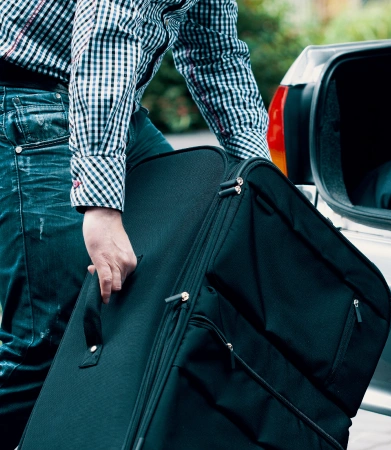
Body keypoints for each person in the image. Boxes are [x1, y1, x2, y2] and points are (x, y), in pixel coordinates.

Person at [0, 1, 270, 446]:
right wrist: (101, 207)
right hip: (28, 98)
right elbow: (107, 39)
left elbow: (214, 51)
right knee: (45, 342)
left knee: (177, 278)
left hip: (107, 102)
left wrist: (263, 183)